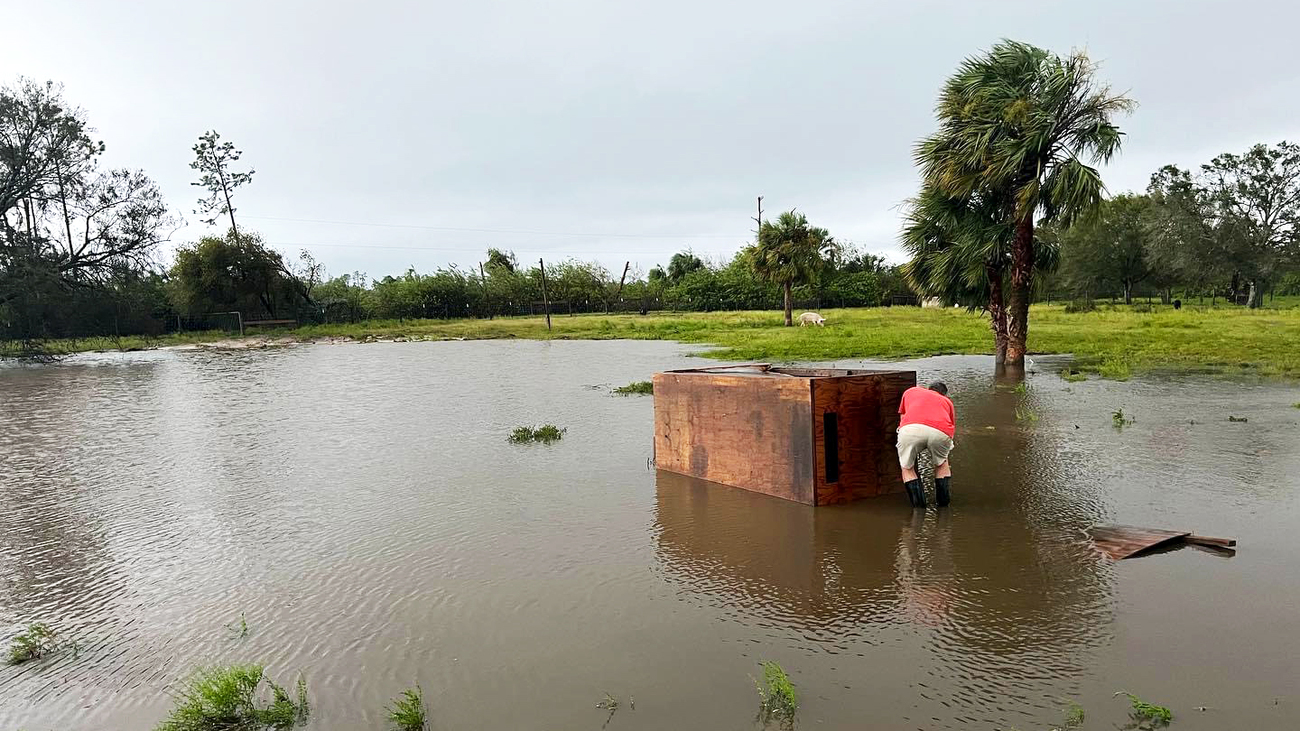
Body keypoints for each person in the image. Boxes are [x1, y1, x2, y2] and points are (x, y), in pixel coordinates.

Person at [896, 381, 955, 508]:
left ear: (929, 388)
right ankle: (943, 506)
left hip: (911, 429)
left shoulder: (911, 391)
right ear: (943, 394)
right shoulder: (947, 402)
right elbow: (951, 426)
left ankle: (919, 508)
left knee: (907, 467)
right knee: (942, 464)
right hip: (940, 432)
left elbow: (902, 418)